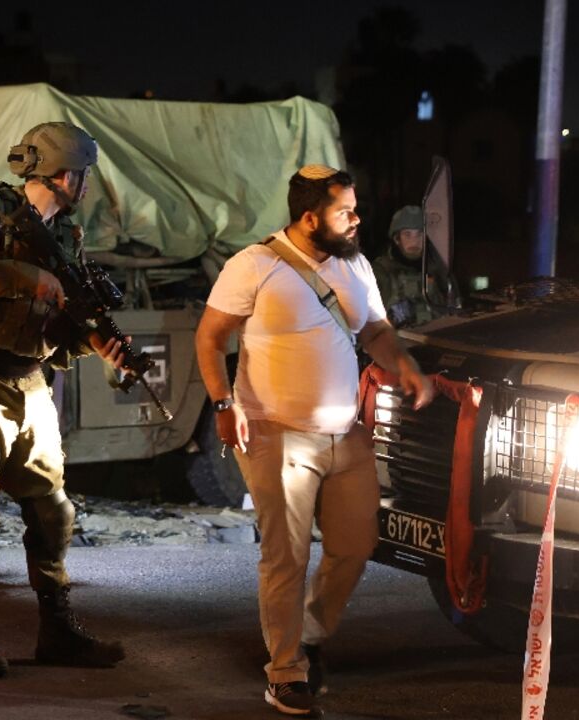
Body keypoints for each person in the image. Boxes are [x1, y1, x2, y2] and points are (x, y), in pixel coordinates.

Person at [195, 166, 433, 716]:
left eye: (354, 208)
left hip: (344, 434)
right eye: (345, 211)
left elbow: (374, 331)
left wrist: (407, 367)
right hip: (276, 433)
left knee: (355, 546)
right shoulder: (253, 265)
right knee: (287, 556)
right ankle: (284, 672)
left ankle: (309, 635)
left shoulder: (356, 266)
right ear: (309, 218)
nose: (357, 219)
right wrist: (223, 405)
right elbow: (209, 340)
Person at [0, 121, 127, 678]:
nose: (86, 183)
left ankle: (57, 633)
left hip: (31, 379)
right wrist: (31, 278)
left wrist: (100, 343)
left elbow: (64, 311)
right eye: (83, 173)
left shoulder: (65, 231)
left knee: (53, 510)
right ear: (65, 174)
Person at [371, 205, 457, 328]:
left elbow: (454, 309)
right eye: (407, 234)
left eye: (420, 234)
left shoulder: (437, 268)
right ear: (397, 239)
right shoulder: (380, 272)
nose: (414, 241)